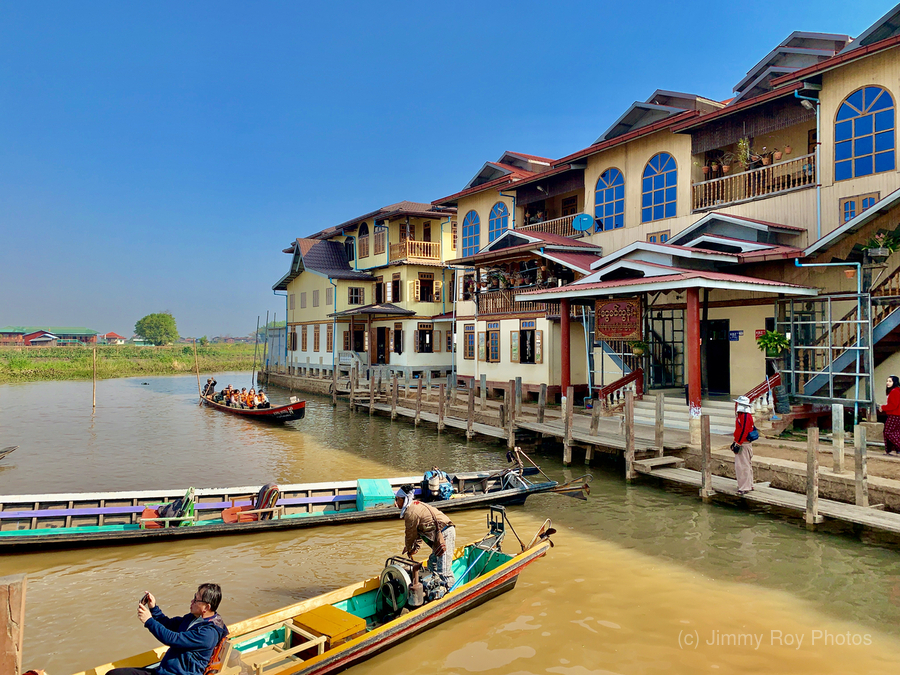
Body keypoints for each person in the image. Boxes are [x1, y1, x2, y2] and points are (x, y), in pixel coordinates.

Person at [107, 583, 228, 675]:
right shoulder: (193, 618)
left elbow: (172, 639)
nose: (192, 601)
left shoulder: (208, 633)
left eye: (196, 600)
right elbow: (169, 624)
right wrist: (153, 608)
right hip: (165, 670)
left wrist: (149, 621)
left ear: (206, 607)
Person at [394, 485, 455, 599]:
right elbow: (418, 533)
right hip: (438, 535)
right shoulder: (413, 507)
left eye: (397, 499)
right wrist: (414, 549)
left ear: (403, 499)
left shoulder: (410, 513)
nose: (395, 503)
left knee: (444, 571)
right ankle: (434, 588)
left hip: (445, 533)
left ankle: (451, 594)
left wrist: (408, 547)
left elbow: (410, 535)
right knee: (432, 563)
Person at [733, 395, 756, 494]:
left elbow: (744, 431)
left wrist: (738, 443)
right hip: (742, 442)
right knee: (745, 465)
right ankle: (748, 485)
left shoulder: (745, 416)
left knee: (742, 466)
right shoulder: (743, 415)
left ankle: (744, 487)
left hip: (743, 443)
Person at [880, 376, 900, 455]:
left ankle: (894, 448)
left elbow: (893, 405)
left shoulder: (894, 391)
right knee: (896, 432)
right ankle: (892, 450)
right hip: (897, 415)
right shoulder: (896, 391)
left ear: (894, 382)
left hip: (894, 415)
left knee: (888, 432)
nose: (888, 383)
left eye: (890, 381)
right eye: (887, 381)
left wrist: (883, 407)